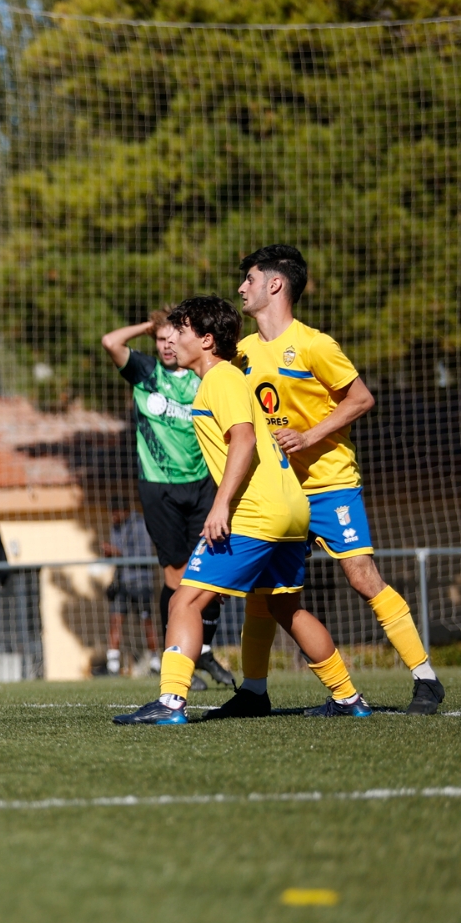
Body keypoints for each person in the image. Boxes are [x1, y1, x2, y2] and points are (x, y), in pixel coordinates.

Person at [115, 296, 372, 725]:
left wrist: (221, 506)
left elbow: (244, 439)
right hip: (289, 508)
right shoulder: (228, 378)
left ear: (207, 340)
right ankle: (348, 698)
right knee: (285, 607)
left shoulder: (220, 379)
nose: (172, 338)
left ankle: (171, 702)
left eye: (181, 330)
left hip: (258, 511)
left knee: (185, 600)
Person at [224, 244, 443, 716]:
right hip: (279, 495)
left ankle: (425, 678)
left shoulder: (314, 344)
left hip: (329, 484)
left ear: (275, 284)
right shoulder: (241, 353)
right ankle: (254, 692)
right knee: (267, 594)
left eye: (250, 278)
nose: (242, 287)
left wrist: (310, 435)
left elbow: (360, 399)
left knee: (363, 578)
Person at [101, 309, 234, 688]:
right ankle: (177, 659)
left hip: (202, 483)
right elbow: (111, 342)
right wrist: (149, 325)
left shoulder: (202, 375)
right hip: (159, 487)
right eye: (160, 340)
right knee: (176, 575)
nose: (166, 345)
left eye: (172, 338)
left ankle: (204, 652)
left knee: (211, 571)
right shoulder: (144, 371)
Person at [99, 505, 160, 677]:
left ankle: (155, 662)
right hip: (122, 583)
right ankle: (113, 666)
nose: (113, 518)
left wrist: (116, 552)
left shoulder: (140, 525)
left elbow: (143, 553)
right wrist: (108, 554)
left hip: (140, 582)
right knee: (115, 620)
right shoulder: (115, 528)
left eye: (115, 513)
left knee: (146, 622)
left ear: (124, 511)